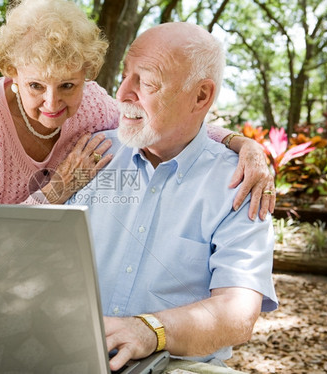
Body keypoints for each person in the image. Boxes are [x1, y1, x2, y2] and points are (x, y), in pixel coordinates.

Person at [0, 0, 276, 220]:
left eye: (68, 85)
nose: (52, 104)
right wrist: (58, 191)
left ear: (87, 74)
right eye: (36, 86)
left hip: (26, 257)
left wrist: (242, 144)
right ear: (12, 73)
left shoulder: (93, 104)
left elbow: (159, 122)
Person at [67, 22, 278, 371]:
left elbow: (238, 312)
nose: (122, 94)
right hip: (72, 355)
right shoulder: (90, 153)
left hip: (174, 363)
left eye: (146, 82)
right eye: (125, 74)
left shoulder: (240, 183)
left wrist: (150, 330)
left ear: (201, 97)